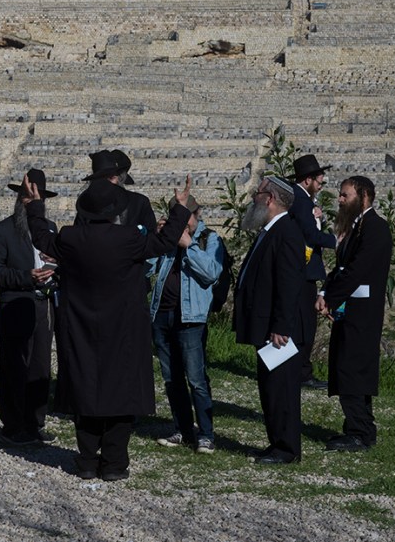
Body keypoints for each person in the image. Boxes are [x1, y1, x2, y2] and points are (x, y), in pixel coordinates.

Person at [53, 175, 189, 480]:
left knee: (86, 392)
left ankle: (87, 460)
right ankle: (114, 463)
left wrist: (33, 205)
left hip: (83, 329)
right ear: (115, 211)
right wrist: (180, 208)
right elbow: (167, 241)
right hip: (123, 331)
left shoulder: (70, 237)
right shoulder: (129, 239)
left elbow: (40, 237)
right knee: (120, 395)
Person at [232, 175, 309, 464]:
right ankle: (277, 442)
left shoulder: (287, 232)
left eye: (258, 192)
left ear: (271, 198)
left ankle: (287, 449)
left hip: (280, 331)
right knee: (270, 388)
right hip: (268, 326)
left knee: (282, 390)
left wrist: (281, 326)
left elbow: (289, 285)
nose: (254, 197)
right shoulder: (271, 230)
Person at [318, 176, 392, 452]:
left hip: (363, 313)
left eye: (344, 195)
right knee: (347, 366)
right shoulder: (355, 228)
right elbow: (341, 269)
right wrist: (327, 294)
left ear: (363, 196)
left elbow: (358, 271)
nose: (339, 200)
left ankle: (360, 432)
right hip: (348, 311)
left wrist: (330, 298)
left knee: (353, 369)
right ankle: (358, 426)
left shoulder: (375, 228)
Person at [148, 183, 223, 453]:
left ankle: (206, 433)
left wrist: (189, 246)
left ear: (197, 213)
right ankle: (181, 428)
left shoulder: (208, 239)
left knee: (196, 378)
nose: (183, 221)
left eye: (187, 215)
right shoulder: (166, 241)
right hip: (162, 316)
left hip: (191, 320)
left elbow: (212, 272)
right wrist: (154, 241)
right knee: (171, 379)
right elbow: (147, 271)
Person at [0, 168, 57, 445]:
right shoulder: (2, 231)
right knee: (14, 367)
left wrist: (55, 268)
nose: (30, 203)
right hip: (16, 303)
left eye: (36, 198)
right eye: (27, 198)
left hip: (43, 305)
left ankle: (35, 422)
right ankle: (13, 423)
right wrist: (25, 277)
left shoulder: (49, 228)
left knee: (40, 367)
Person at [290, 153, 338, 390]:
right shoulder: (301, 201)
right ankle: (301, 373)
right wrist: (337, 241)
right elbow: (310, 234)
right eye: (320, 180)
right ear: (308, 180)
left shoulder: (303, 200)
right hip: (303, 272)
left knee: (303, 324)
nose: (321, 184)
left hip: (303, 270)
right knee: (305, 326)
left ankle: (297, 370)